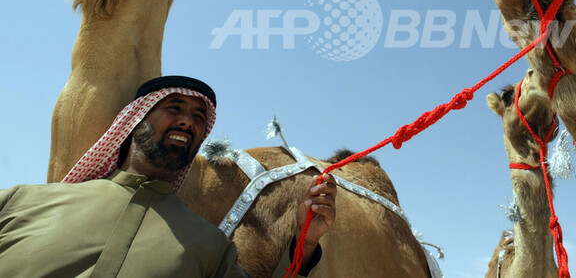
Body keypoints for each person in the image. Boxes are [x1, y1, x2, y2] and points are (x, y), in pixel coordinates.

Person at [0, 76, 336, 277]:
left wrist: (305, 243)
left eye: (198, 117)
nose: (188, 121)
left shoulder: (212, 248)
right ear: (134, 120)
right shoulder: (20, 202)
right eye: (174, 108)